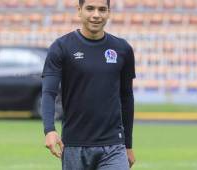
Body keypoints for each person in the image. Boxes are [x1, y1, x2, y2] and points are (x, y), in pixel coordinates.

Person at [41, 0, 136, 169]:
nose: (96, 15)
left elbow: (127, 97)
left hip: (114, 145)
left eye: (102, 9)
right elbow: (49, 92)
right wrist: (49, 129)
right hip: (74, 145)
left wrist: (128, 145)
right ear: (79, 10)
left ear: (109, 12)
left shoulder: (122, 49)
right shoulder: (61, 47)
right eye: (90, 9)